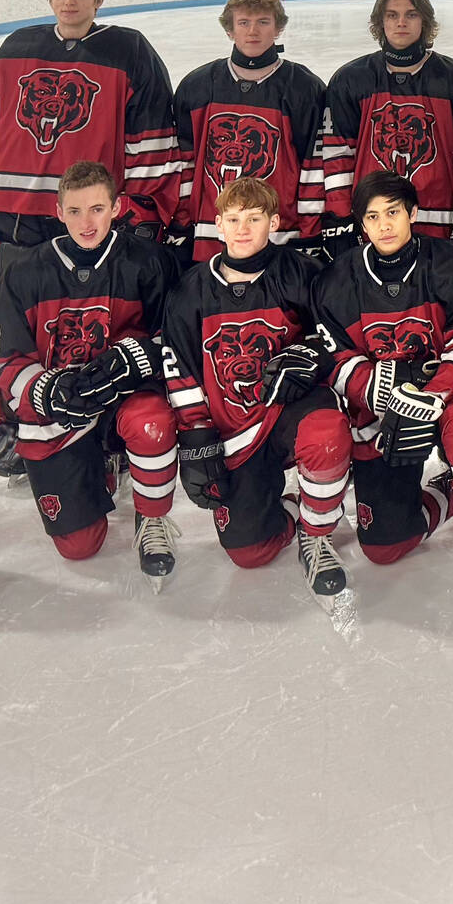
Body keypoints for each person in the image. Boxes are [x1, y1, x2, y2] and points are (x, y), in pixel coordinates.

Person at [0, 0, 182, 478]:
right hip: (15, 217)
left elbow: (152, 140)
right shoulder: (17, 46)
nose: (70, 3)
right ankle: (17, 417)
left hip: (89, 216)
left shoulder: (128, 49)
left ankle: (106, 418)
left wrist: (138, 208)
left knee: (93, 321)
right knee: (12, 326)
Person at [312, 170, 453, 622]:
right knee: (384, 546)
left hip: (446, 393)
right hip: (379, 404)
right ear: (361, 225)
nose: (384, 225)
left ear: (413, 214)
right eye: (373, 217)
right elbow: (335, 359)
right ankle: (450, 493)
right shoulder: (336, 280)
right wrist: (388, 395)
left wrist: (430, 394)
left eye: (393, 213)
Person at [0, 161, 181, 586]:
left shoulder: (148, 262)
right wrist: (44, 390)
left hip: (124, 398)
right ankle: (98, 467)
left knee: (152, 423)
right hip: (58, 410)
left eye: (96, 209)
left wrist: (135, 356)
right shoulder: (26, 271)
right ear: (58, 211)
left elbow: (177, 340)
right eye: (74, 211)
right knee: (80, 546)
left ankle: (152, 520)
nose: (86, 222)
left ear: (117, 207)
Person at [162, 176, 354, 599]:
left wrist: (311, 357)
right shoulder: (190, 290)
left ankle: (317, 533)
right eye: (233, 219)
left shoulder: (303, 274)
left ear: (273, 221)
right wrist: (196, 436)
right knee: (249, 551)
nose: (243, 228)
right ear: (218, 224)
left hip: (289, 411)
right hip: (233, 431)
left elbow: (338, 337)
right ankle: (290, 507)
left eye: (254, 218)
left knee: (326, 436)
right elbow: (181, 370)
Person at [169, 0, 329, 263]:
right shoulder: (197, 87)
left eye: (263, 22)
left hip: (280, 235)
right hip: (210, 232)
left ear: (278, 28)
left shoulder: (305, 88)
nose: (252, 31)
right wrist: (183, 220)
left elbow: (313, 169)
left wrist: (309, 231)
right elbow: (184, 163)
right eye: (243, 23)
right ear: (230, 30)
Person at [319, 0, 453, 253]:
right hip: (375, 221)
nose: (401, 22)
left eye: (411, 15)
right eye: (392, 15)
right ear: (381, 22)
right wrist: (341, 216)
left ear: (424, 20)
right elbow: (339, 154)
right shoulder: (351, 78)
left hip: (438, 218)